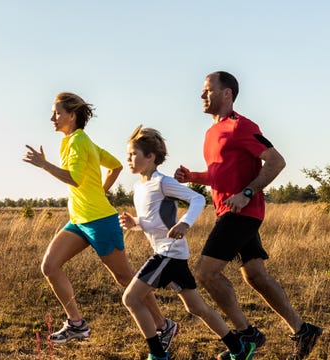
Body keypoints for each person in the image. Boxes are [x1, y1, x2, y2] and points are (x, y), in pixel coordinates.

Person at [174, 71, 323, 360]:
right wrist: (191, 176)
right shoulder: (210, 133)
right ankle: (303, 330)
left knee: (206, 273)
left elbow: (277, 161)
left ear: (227, 93)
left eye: (207, 90)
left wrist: (246, 193)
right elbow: (220, 176)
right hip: (229, 211)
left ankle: (245, 335)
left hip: (241, 213)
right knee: (255, 275)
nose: (201, 96)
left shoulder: (241, 126)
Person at [23, 92, 177, 348]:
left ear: (72, 116)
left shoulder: (79, 142)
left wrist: (44, 165)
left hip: (100, 221)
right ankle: (77, 324)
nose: (52, 117)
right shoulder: (77, 141)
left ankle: (164, 325)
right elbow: (116, 165)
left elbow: (75, 178)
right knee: (50, 266)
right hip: (80, 220)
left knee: (126, 277)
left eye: (57, 112)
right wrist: (100, 191)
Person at [119, 125, 256, 360]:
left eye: (133, 154)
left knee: (130, 298)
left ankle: (158, 355)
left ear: (150, 157)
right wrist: (136, 223)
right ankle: (239, 348)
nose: (129, 159)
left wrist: (185, 223)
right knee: (196, 308)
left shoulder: (163, 182)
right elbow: (154, 220)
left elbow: (197, 198)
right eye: (128, 154)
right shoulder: (139, 187)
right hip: (171, 253)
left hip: (168, 254)